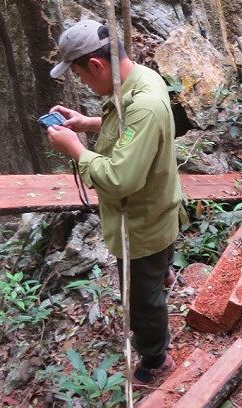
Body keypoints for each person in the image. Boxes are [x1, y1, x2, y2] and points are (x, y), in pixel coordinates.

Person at [47, 20, 182, 385]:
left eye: (81, 76)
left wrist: (77, 151)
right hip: (158, 211)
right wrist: (87, 124)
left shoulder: (145, 104)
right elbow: (129, 125)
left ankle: (156, 360)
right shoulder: (142, 78)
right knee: (153, 274)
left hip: (141, 225)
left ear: (96, 65)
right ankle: (161, 274)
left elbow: (120, 180)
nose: (84, 84)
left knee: (141, 304)